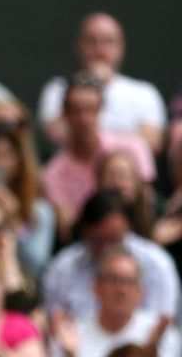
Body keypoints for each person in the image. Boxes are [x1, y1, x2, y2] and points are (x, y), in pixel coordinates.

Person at [42, 73, 156, 245]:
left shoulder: (134, 149)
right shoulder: (52, 174)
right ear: (65, 113)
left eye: (91, 109)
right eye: (76, 110)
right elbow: (67, 232)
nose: (84, 118)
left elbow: (146, 212)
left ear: (101, 108)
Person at [37, 12, 166, 153]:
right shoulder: (58, 88)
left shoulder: (144, 92)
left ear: (121, 47)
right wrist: (86, 83)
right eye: (91, 41)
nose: (100, 50)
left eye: (108, 41)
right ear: (79, 45)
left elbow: (152, 143)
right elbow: (55, 134)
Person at [43, 190, 179, 320]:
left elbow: (162, 324)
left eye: (114, 240)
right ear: (84, 232)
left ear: (129, 228)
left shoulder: (157, 264)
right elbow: (54, 321)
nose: (106, 250)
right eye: (97, 241)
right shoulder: (62, 267)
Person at [0, 112, 56, 280]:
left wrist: (14, 220)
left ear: (19, 161)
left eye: (5, 154)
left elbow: (36, 268)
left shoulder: (40, 212)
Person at [50, 248, 180, 357]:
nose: (121, 290)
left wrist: (150, 352)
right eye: (114, 280)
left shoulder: (161, 336)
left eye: (129, 282)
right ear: (96, 287)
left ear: (141, 292)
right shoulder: (72, 336)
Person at [97, 151, 162, 239]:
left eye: (123, 176)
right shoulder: (87, 223)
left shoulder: (156, 219)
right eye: (111, 176)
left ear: (136, 184)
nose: (117, 183)